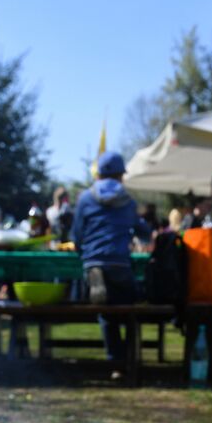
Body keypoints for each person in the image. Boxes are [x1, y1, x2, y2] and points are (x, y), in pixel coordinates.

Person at [70, 150, 151, 375]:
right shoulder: (127, 201)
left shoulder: (85, 198)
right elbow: (142, 231)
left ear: (98, 174)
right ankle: (129, 362)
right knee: (129, 309)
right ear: (120, 175)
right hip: (120, 263)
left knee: (106, 313)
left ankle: (115, 361)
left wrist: (83, 252)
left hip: (93, 261)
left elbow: (77, 234)